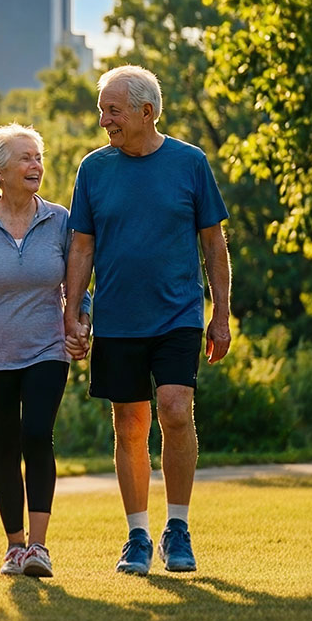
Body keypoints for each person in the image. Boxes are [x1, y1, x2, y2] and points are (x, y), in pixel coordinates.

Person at [63, 65, 232, 576]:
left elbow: (213, 243)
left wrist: (220, 314)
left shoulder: (190, 163)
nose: (103, 121)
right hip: (117, 318)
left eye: (112, 110)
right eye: (102, 110)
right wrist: (72, 311)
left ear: (146, 111)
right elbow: (82, 247)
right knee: (130, 423)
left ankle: (176, 527)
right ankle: (137, 534)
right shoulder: (93, 169)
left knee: (175, 409)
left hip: (178, 313)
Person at [0, 124, 91, 578]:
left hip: (48, 346)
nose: (36, 166)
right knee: (4, 445)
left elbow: (79, 280)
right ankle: (14, 546)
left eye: (38, 157)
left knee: (36, 436)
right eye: (26, 158)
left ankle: (40, 547)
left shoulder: (60, 219)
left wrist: (81, 319)